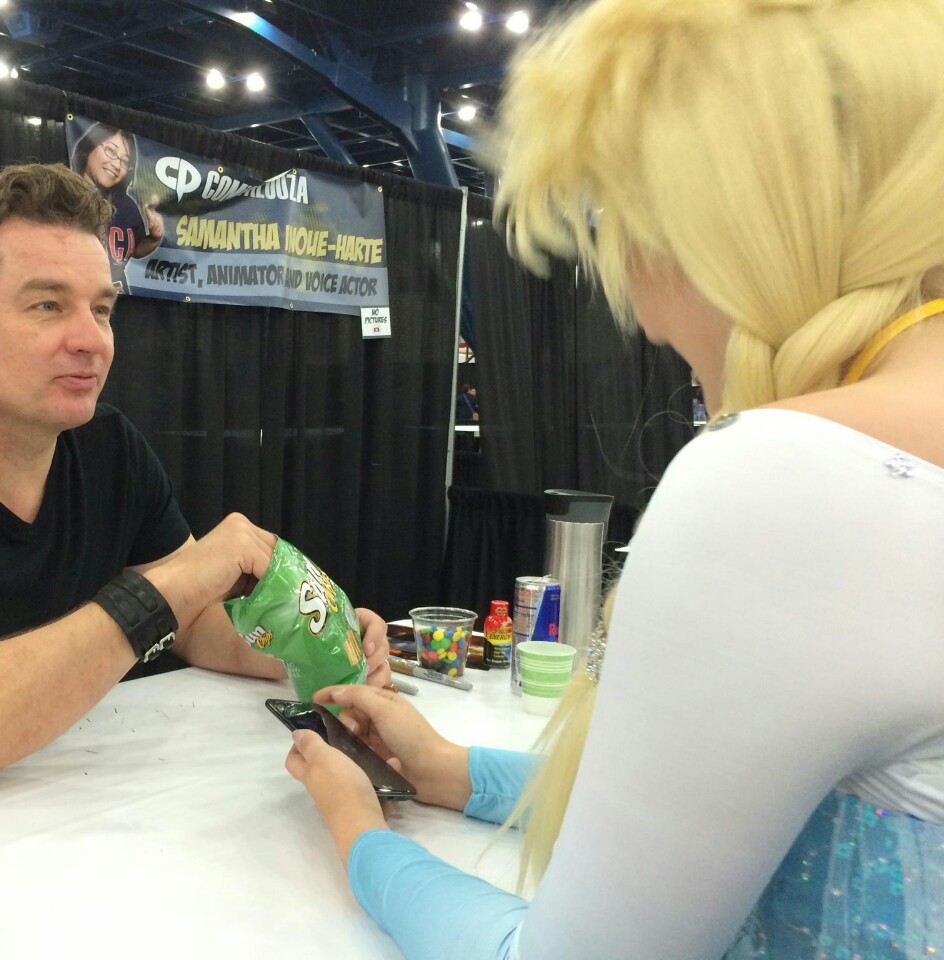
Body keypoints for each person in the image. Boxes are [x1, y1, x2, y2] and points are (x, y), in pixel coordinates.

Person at [283, 1, 944, 957]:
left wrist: (361, 838)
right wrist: (457, 771)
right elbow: (712, 812)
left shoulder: (795, 481)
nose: (643, 310)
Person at [0, 163, 390, 800]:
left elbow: (197, 625)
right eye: (48, 305)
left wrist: (315, 636)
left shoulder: (109, 449)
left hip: (61, 812)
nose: (93, 341)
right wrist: (173, 583)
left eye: (101, 309)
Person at [70, 123, 163, 293]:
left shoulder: (126, 206)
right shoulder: (64, 197)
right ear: (89, 147)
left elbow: (135, 250)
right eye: (111, 151)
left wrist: (153, 239)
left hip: (116, 298)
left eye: (125, 161)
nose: (117, 165)